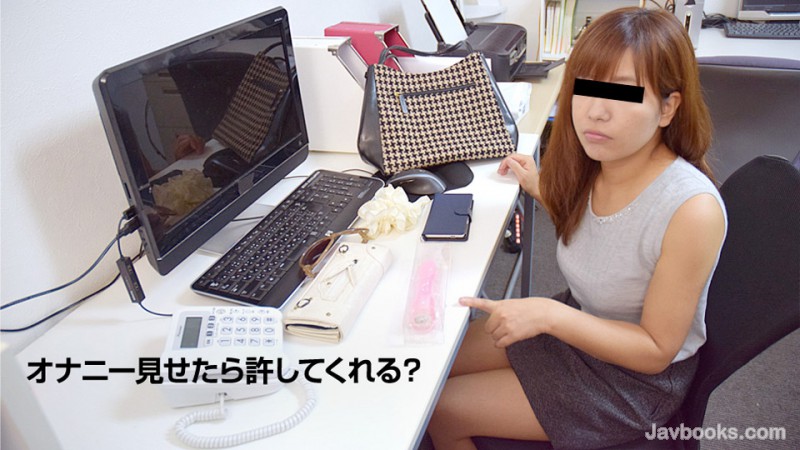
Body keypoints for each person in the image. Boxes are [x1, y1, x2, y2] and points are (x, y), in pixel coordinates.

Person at [427, 7, 727, 450]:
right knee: (434, 364)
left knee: (441, 408)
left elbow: (655, 350)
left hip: (631, 379)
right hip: (581, 326)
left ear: (668, 108)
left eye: (622, 94)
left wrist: (549, 316)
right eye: (586, 88)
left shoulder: (691, 210)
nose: (595, 112)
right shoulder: (603, 162)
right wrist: (538, 186)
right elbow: (607, 228)